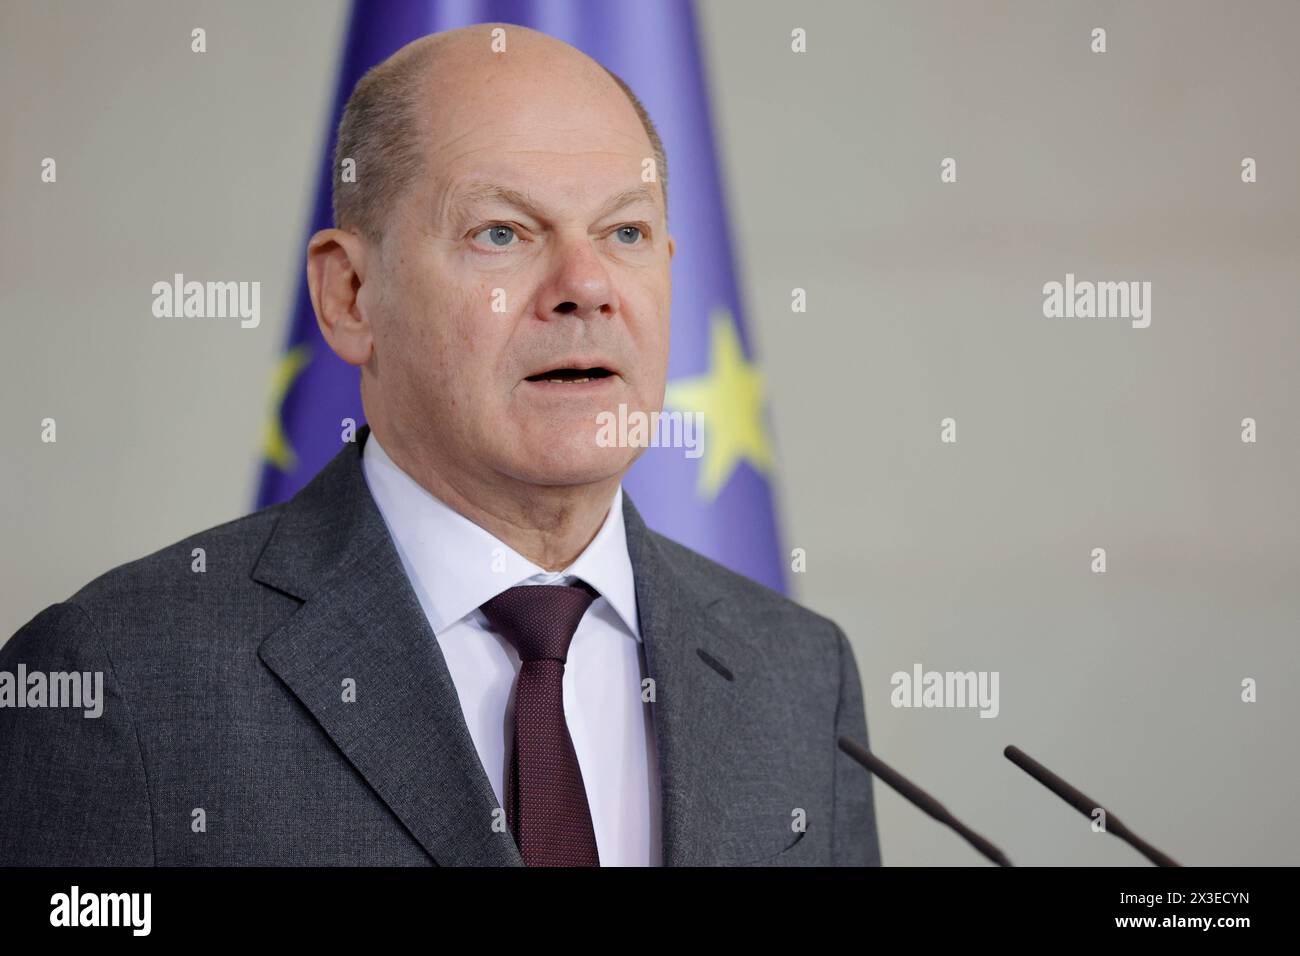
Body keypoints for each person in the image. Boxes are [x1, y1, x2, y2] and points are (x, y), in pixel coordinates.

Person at [0, 23, 880, 866]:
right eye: (501, 232)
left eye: (625, 233)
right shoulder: (119, 681)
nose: (587, 286)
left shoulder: (799, 677)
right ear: (350, 294)